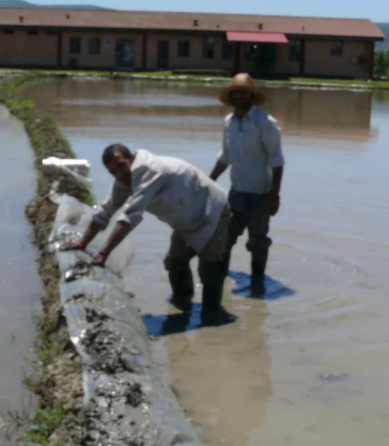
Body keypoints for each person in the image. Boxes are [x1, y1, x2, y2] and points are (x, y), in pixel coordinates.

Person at [62, 143, 232, 320]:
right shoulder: (124, 180)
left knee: (210, 270)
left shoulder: (150, 171)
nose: (118, 174)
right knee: (175, 262)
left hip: (211, 211)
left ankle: (211, 317)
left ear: (131, 158)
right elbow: (106, 210)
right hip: (186, 219)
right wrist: (82, 243)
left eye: (120, 165)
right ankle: (183, 307)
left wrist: (103, 253)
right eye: (112, 171)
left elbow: (130, 217)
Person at [208, 73, 284, 294]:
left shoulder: (265, 123)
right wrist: (208, 182)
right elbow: (225, 157)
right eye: (236, 93)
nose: (239, 96)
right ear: (230, 96)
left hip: (261, 194)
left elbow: (277, 161)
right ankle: (219, 282)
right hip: (236, 193)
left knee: (258, 243)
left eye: (244, 93)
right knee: (225, 239)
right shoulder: (228, 122)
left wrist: (274, 196)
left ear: (252, 96)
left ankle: (258, 283)